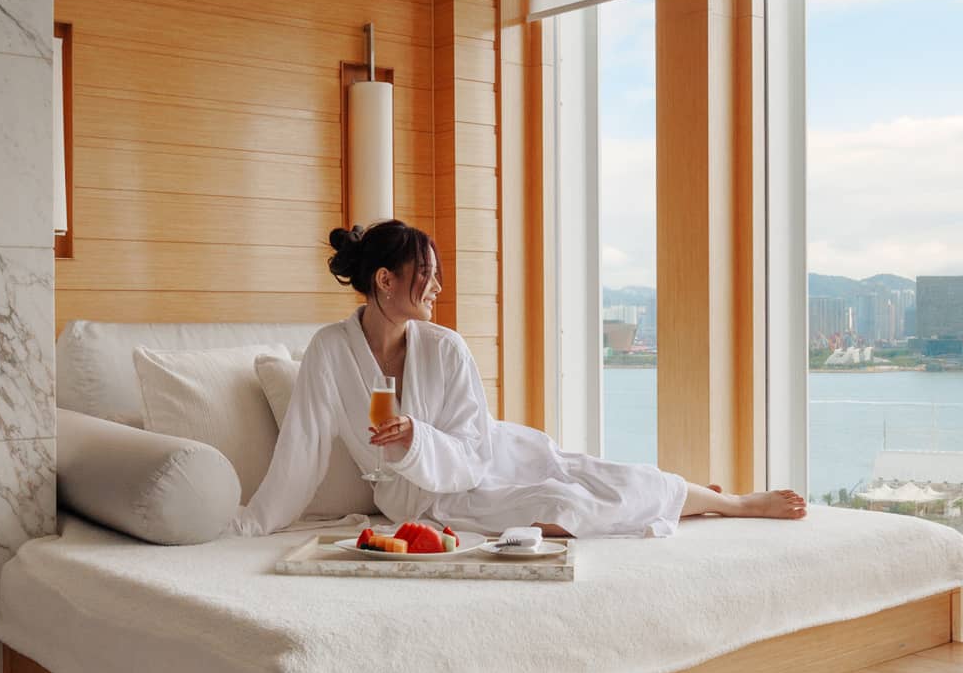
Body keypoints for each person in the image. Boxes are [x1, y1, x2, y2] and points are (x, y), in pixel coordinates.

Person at [238, 221, 807, 539]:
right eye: (426, 274)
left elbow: (472, 448)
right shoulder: (330, 351)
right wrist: (250, 524)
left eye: (437, 274)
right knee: (562, 505)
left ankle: (731, 502)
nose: (438, 287)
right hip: (422, 499)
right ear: (385, 280)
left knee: (600, 477)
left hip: (490, 459)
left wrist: (417, 438)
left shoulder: (446, 347)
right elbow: (301, 451)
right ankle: (692, 498)